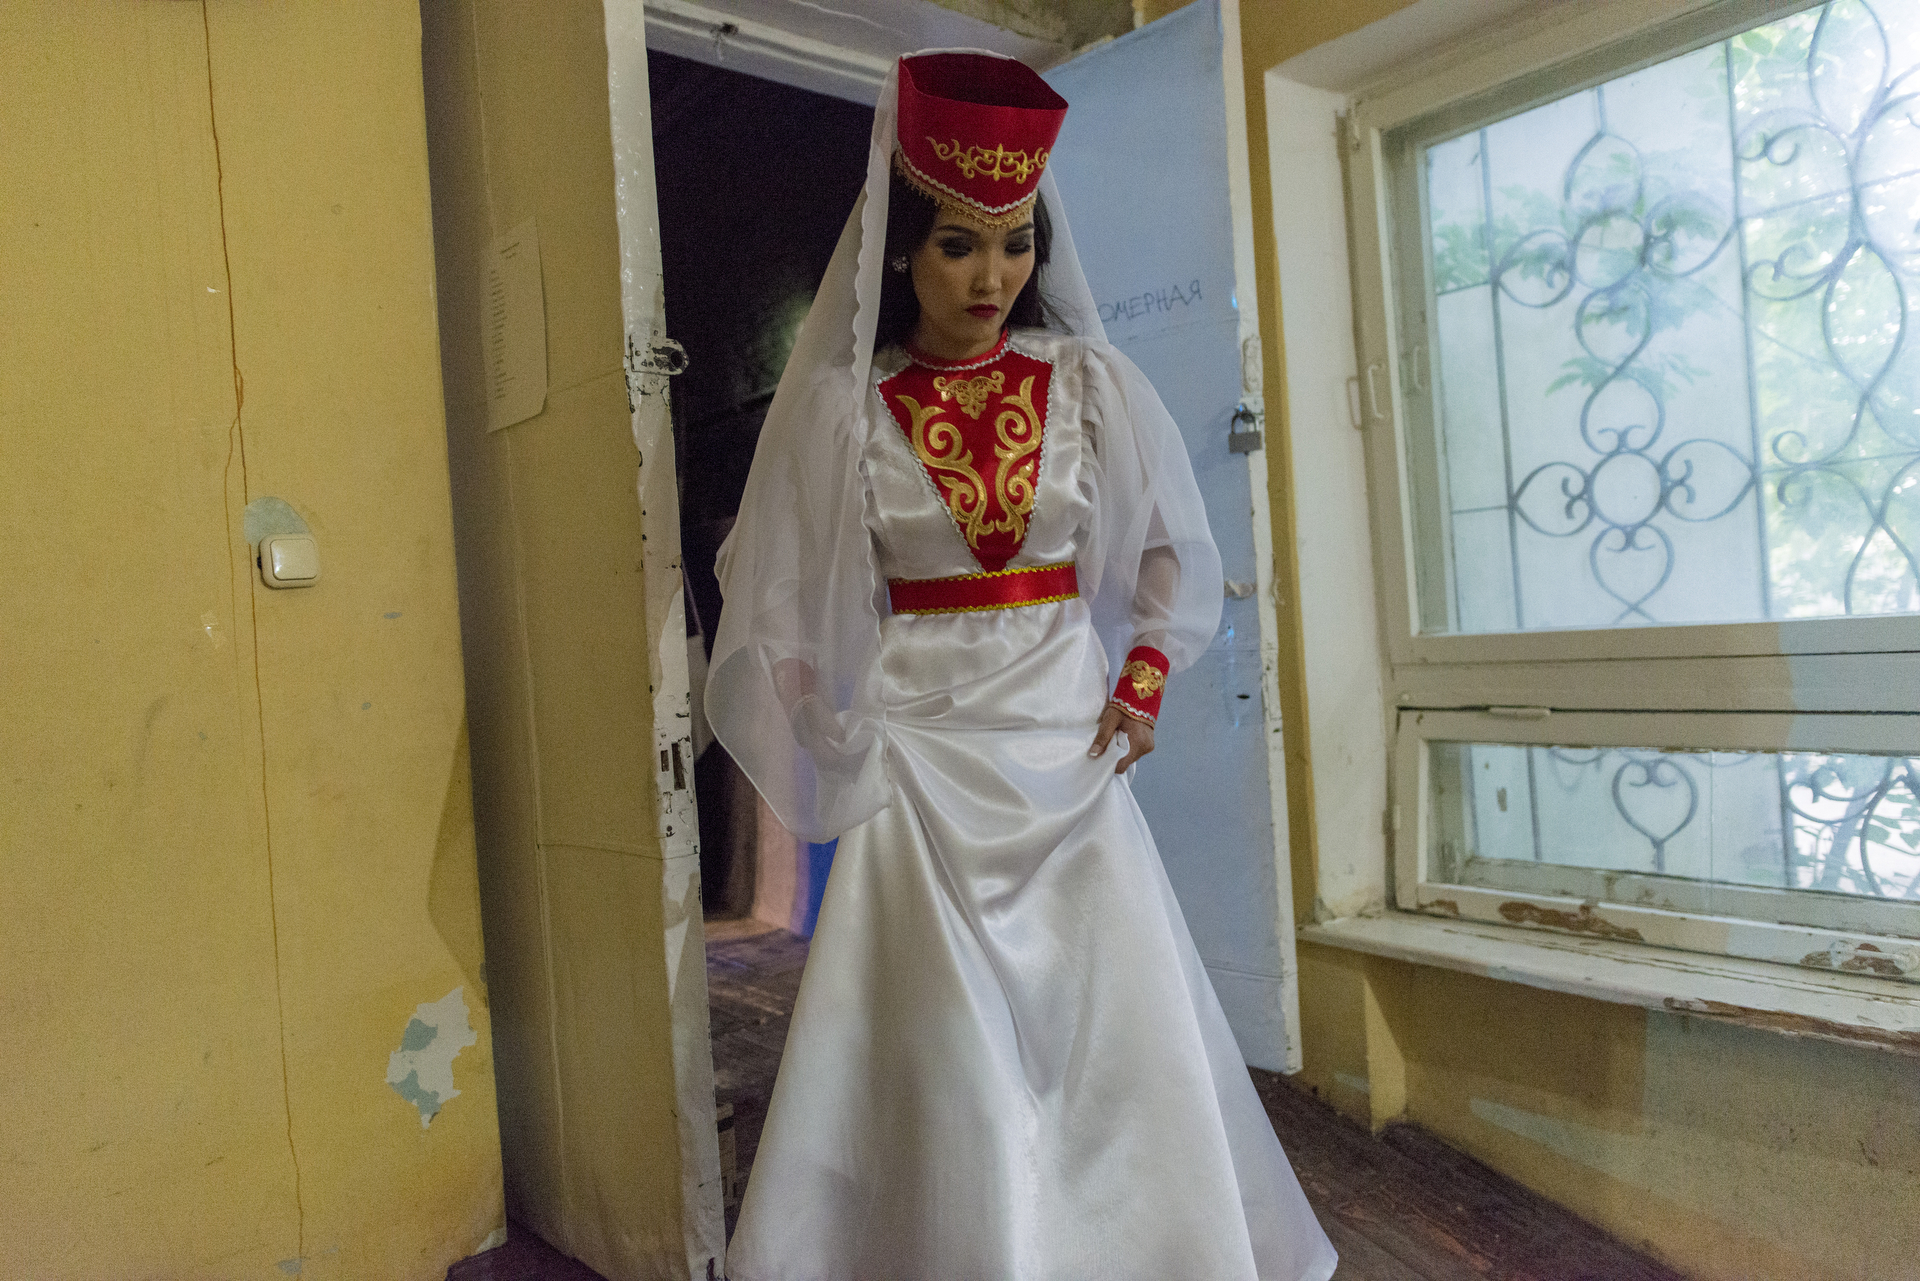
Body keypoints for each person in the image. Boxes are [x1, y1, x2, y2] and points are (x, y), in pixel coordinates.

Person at [706, 49, 1337, 1281]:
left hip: (1067, 749)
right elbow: (775, 597)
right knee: (944, 1054)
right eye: (956, 246)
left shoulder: (1095, 386)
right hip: (920, 764)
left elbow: (1172, 554)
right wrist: (824, 718)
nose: (990, 277)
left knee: (1109, 1033)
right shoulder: (841, 412)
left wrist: (1144, 678)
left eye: (1012, 245)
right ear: (902, 252)